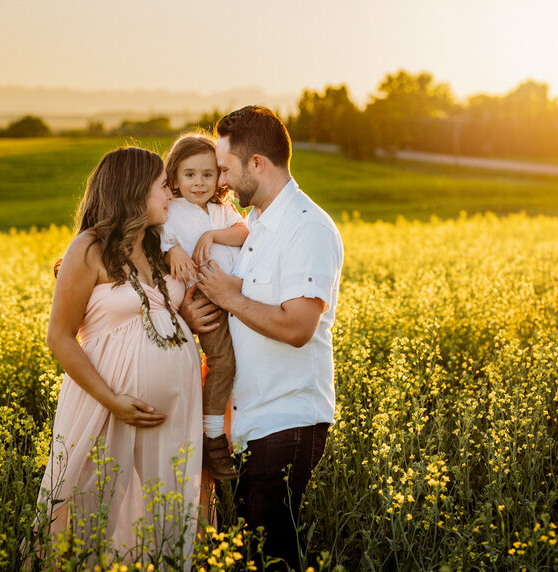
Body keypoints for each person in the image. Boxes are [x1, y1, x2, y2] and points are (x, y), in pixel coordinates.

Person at [180, 106, 344, 568]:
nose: (221, 181)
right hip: (255, 423)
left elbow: (297, 327)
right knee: (260, 555)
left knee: (274, 558)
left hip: (287, 420)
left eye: (227, 168)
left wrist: (230, 297)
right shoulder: (254, 227)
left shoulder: (305, 228)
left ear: (258, 164)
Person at [37, 146, 203, 559]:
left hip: (174, 419)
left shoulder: (157, 246)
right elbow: (59, 337)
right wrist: (113, 400)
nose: (171, 195)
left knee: (165, 524)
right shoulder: (89, 249)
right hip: (106, 407)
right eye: (163, 187)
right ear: (133, 192)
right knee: (89, 519)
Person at [160, 133, 248, 481]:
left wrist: (211, 236)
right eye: (190, 174)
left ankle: (226, 431)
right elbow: (160, 236)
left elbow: (243, 233)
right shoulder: (172, 211)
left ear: (219, 178)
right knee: (223, 361)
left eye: (208, 174)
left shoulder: (222, 211)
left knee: (237, 361)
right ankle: (212, 438)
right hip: (202, 297)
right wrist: (173, 250)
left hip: (235, 293)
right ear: (175, 179)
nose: (199, 182)